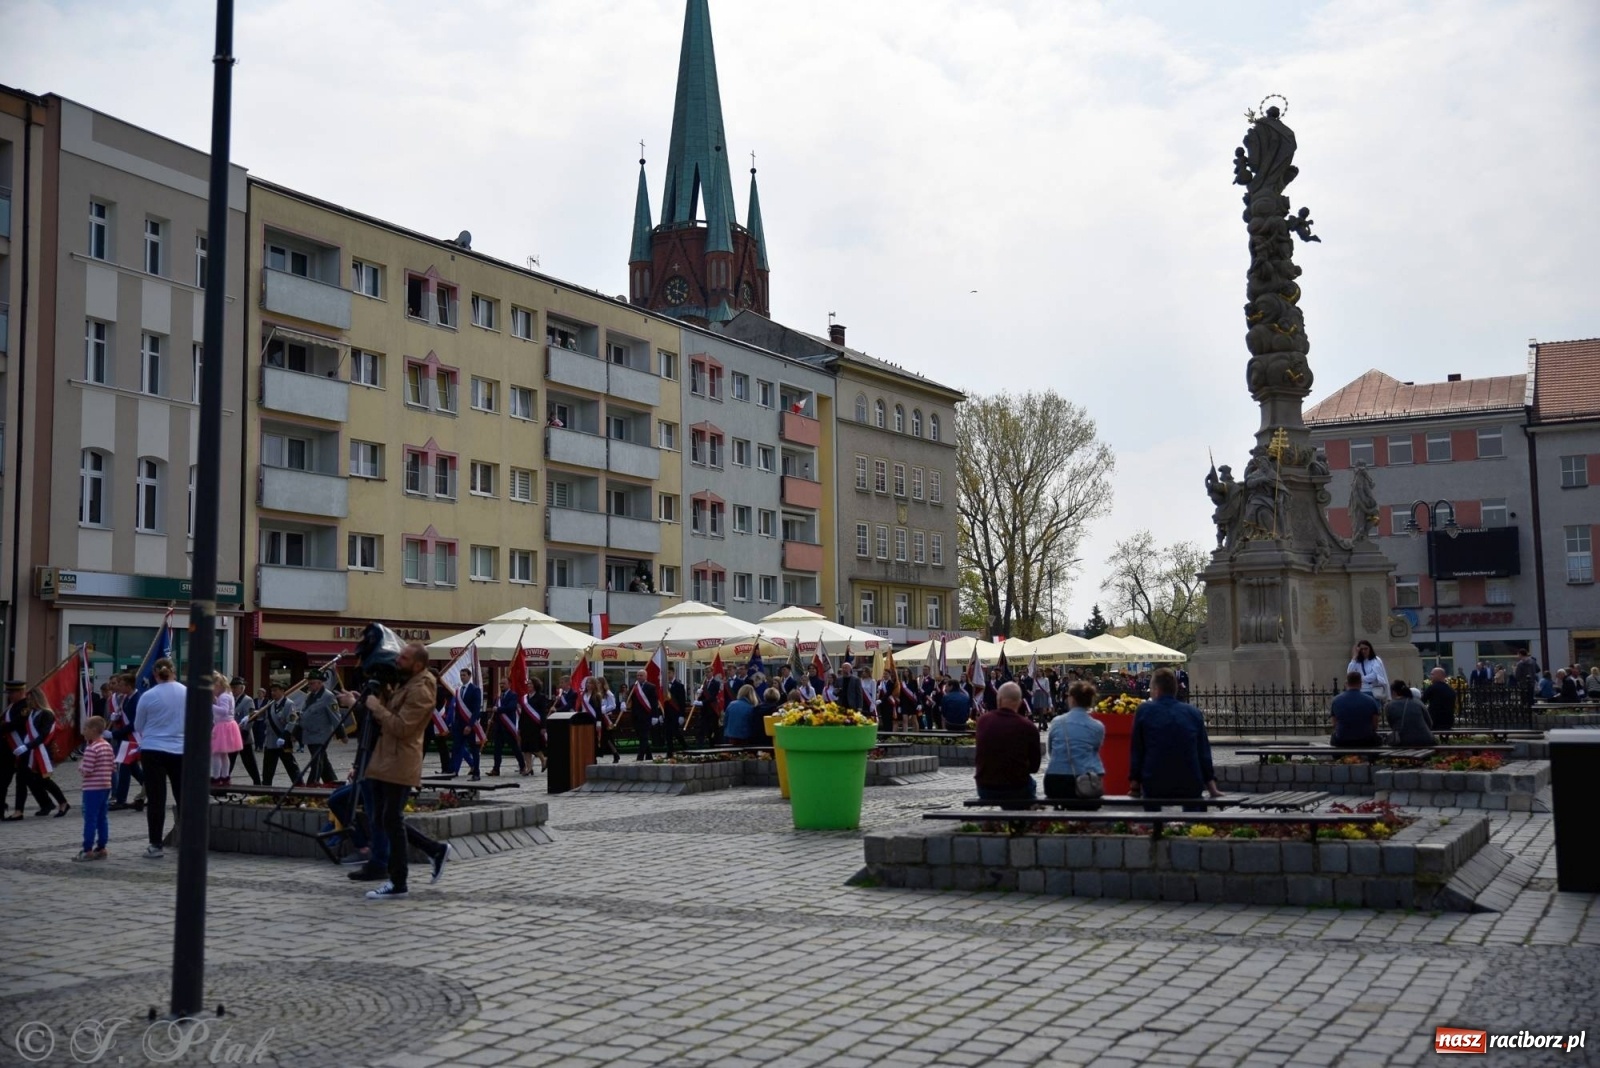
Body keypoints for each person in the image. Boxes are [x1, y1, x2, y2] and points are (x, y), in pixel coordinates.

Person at [340, 643, 449, 900]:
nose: (398, 660)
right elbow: (390, 711)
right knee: (383, 817)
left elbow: (401, 727)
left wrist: (374, 705)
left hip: (401, 760)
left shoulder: (422, 688)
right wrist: (367, 699)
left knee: (390, 818)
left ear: (419, 664)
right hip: (385, 758)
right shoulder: (407, 681)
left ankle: (399, 881)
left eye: (404, 657)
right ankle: (434, 850)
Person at [1129, 668, 1221, 810]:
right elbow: (1203, 752)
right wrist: (1212, 788)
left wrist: (1135, 784)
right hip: (1190, 783)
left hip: (1155, 783)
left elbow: (1137, 750)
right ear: (1175, 689)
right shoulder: (1193, 712)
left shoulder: (1144, 711)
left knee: (1151, 809)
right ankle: (1194, 826)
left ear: (1156, 690)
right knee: (1195, 805)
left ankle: (1155, 828)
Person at [135, 659, 186, 858]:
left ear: (155, 675)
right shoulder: (186, 692)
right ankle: (189, 840)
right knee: (183, 796)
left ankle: (155, 844)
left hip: (153, 748)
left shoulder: (148, 695)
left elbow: (139, 726)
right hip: (181, 749)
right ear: (174, 671)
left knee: (156, 799)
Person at [973, 682, 1040, 806]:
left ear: (998, 700)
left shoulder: (983, 721)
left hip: (985, 787)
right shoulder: (1028, 727)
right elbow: (1034, 767)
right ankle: (1021, 822)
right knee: (1032, 785)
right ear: (1020, 703)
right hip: (1017, 787)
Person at [1044, 681, 1105, 808]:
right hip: (1084, 781)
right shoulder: (1097, 726)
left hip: (1055, 781)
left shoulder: (1057, 722)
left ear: (1071, 699)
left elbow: (1051, 750)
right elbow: (1095, 749)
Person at [73, 715, 115, 861]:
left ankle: (87, 848)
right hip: (105, 786)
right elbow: (113, 767)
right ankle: (102, 846)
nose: (83, 731)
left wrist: (81, 765)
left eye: (85, 728)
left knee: (90, 818)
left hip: (92, 788)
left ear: (94, 730)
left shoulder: (91, 748)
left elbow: (87, 770)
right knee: (102, 817)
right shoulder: (107, 746)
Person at [300, 670, 345, 786]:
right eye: (309, 683)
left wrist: (342, 734)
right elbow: (304, 713)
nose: (310, 686)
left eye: (313, 683)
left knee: (317, 760)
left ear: (320, 683)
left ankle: (311, 785)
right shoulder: (310, 696)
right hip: (309, 734)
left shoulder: (328, 696)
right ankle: (332, 781)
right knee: (322, 759)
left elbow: (336, 716)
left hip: (321, 734)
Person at [260, 681, 304, 787]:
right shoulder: (270, 704)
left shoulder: (289, 704)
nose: (273, 693)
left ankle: (300, 786)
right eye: (272, 691)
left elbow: (292, 721)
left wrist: (285, 735)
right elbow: (266, 718)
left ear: (282, 691)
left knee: (290, 765)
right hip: (271, 740)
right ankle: (266, 787)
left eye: (276, 690)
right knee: (268, 767)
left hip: (283, 739)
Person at [1330, 671, 1382, 747]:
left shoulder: (1336, 700)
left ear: (1346, 683)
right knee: (1378, 740)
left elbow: (1334, 724)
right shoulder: (1370, 700)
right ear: (1360, 683)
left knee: (1334, 738)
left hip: (1343, 740)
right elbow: (1375, 724)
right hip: (1366, 739)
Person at [487, 684, 528, 777]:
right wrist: (491, 719)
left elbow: (511, 707)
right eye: (500, 684)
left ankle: (522, 766)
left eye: (503, 684)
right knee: (497, 749)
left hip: (508, 726)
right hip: (498, 727)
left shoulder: (513, 695)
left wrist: (498, 709)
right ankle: (496, 769)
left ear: (508, 685)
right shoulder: (498, 697)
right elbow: (494, 711)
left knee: (515, 748)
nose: (501, 685)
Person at [448, 668, 482, 779]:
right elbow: (457, 709)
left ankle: (476, 772)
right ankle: (453, 771)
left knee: (474, 749)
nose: (462, 677)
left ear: (469, 676)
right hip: (459, 725)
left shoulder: (475, 690)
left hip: (470, 725)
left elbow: (476, 710)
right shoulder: (458, 690)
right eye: (461, 675)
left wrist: (470, 725)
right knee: (456, 748)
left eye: (464, 675)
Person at [209, 672, 243, 785]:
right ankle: (225, 776)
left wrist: (210, 705)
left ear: (218, 685)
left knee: (216, 753)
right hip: (227, 725)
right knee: (223, 754)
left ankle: (216, 777)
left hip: (223, 726)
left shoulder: (223, 696)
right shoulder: (228, 695)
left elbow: (223, 710)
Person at [229, 677, 262, 786]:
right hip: (233, 735)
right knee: (229, 760)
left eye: (235, 687)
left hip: (243, 736)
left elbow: (251, 717)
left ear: (242, 688)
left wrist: (245, 731)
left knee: (249, 761)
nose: (233, 690)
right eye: (232, 687)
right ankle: (223, 782)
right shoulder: (232, 699)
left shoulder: (247, 700)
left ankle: (257, 783)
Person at [1386, 679, 1435, 746]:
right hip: (1425, 739)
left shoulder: (1390, 705)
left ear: (1394, 692)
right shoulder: (1418, 702)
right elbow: (1429, 723)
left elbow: (1392, 724)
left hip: (1403, 741)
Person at [627, 668, 661, 761]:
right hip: (636, 715)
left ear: (646, 676)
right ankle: (649, 755)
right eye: (637, 675)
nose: (639, 677)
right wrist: (623, 703)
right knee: (640, 736)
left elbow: (654, 703)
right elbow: (629, 698)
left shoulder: (651, 687)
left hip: (647, 715)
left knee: (644, 736)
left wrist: (655, 716)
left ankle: (640, 757)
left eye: (641, 675)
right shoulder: (633, 687)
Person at [663, 666, 689, 757]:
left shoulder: (679, 686)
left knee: (675, 732)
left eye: (669, 673)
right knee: (668, 733)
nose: (668, 675)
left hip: (676, 713)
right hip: (666, 713)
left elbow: (682, 702)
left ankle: (685, 747)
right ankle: (670, 751)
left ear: (673, 673)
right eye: (666, 673)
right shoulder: (664, 686)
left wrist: (682, 715)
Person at [1421, 667, 1457, 732]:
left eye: (1432, 674)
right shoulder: (1451, 690)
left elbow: (1422, 702)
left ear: (1439, 675)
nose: (1430, 676)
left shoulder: (1432, 688)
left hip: (1434, 722)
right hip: (1448, 722)